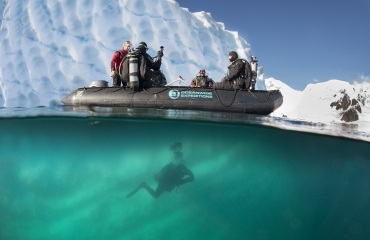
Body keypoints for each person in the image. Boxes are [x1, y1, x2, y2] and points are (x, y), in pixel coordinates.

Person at [126, 142, 194, 199]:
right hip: (165, 182)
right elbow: (180, 181)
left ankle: (144, 185)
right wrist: (189, 179)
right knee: (156, 195)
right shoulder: (182, 170)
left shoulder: (178, 168)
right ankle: (144, 185)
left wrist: (189, 178)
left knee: (156, 195)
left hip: (164, 181)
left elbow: (183, 178)